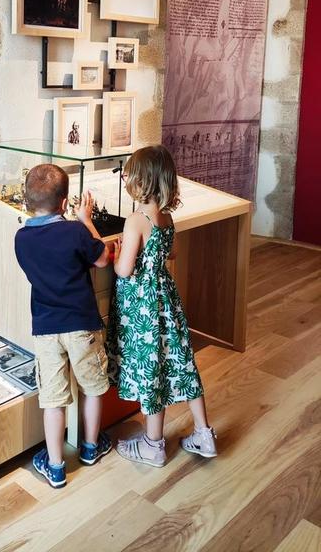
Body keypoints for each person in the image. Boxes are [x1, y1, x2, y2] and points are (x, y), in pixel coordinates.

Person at [108, 146, 216, 467]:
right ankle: (204, 433)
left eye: (128, 173)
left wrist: (118, 255)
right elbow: (172, 253)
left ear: (141, 181)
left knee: (150, 368)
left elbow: (125, 270)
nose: (125, 177)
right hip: (166, 301)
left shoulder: (136, 220)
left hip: (142, 308)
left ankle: (153, 444)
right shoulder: (166, 218)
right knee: (182, 364)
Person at [14, 164, 113, 488]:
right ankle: (90, 447)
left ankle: (55, 466)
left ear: (27, 201)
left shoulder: (21, 238)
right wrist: (86, 221)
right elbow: (103, 258)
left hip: (45, 328)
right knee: (92, 389)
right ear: (64, 201)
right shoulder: (74, 232)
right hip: (82, 324)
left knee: (53, 400)